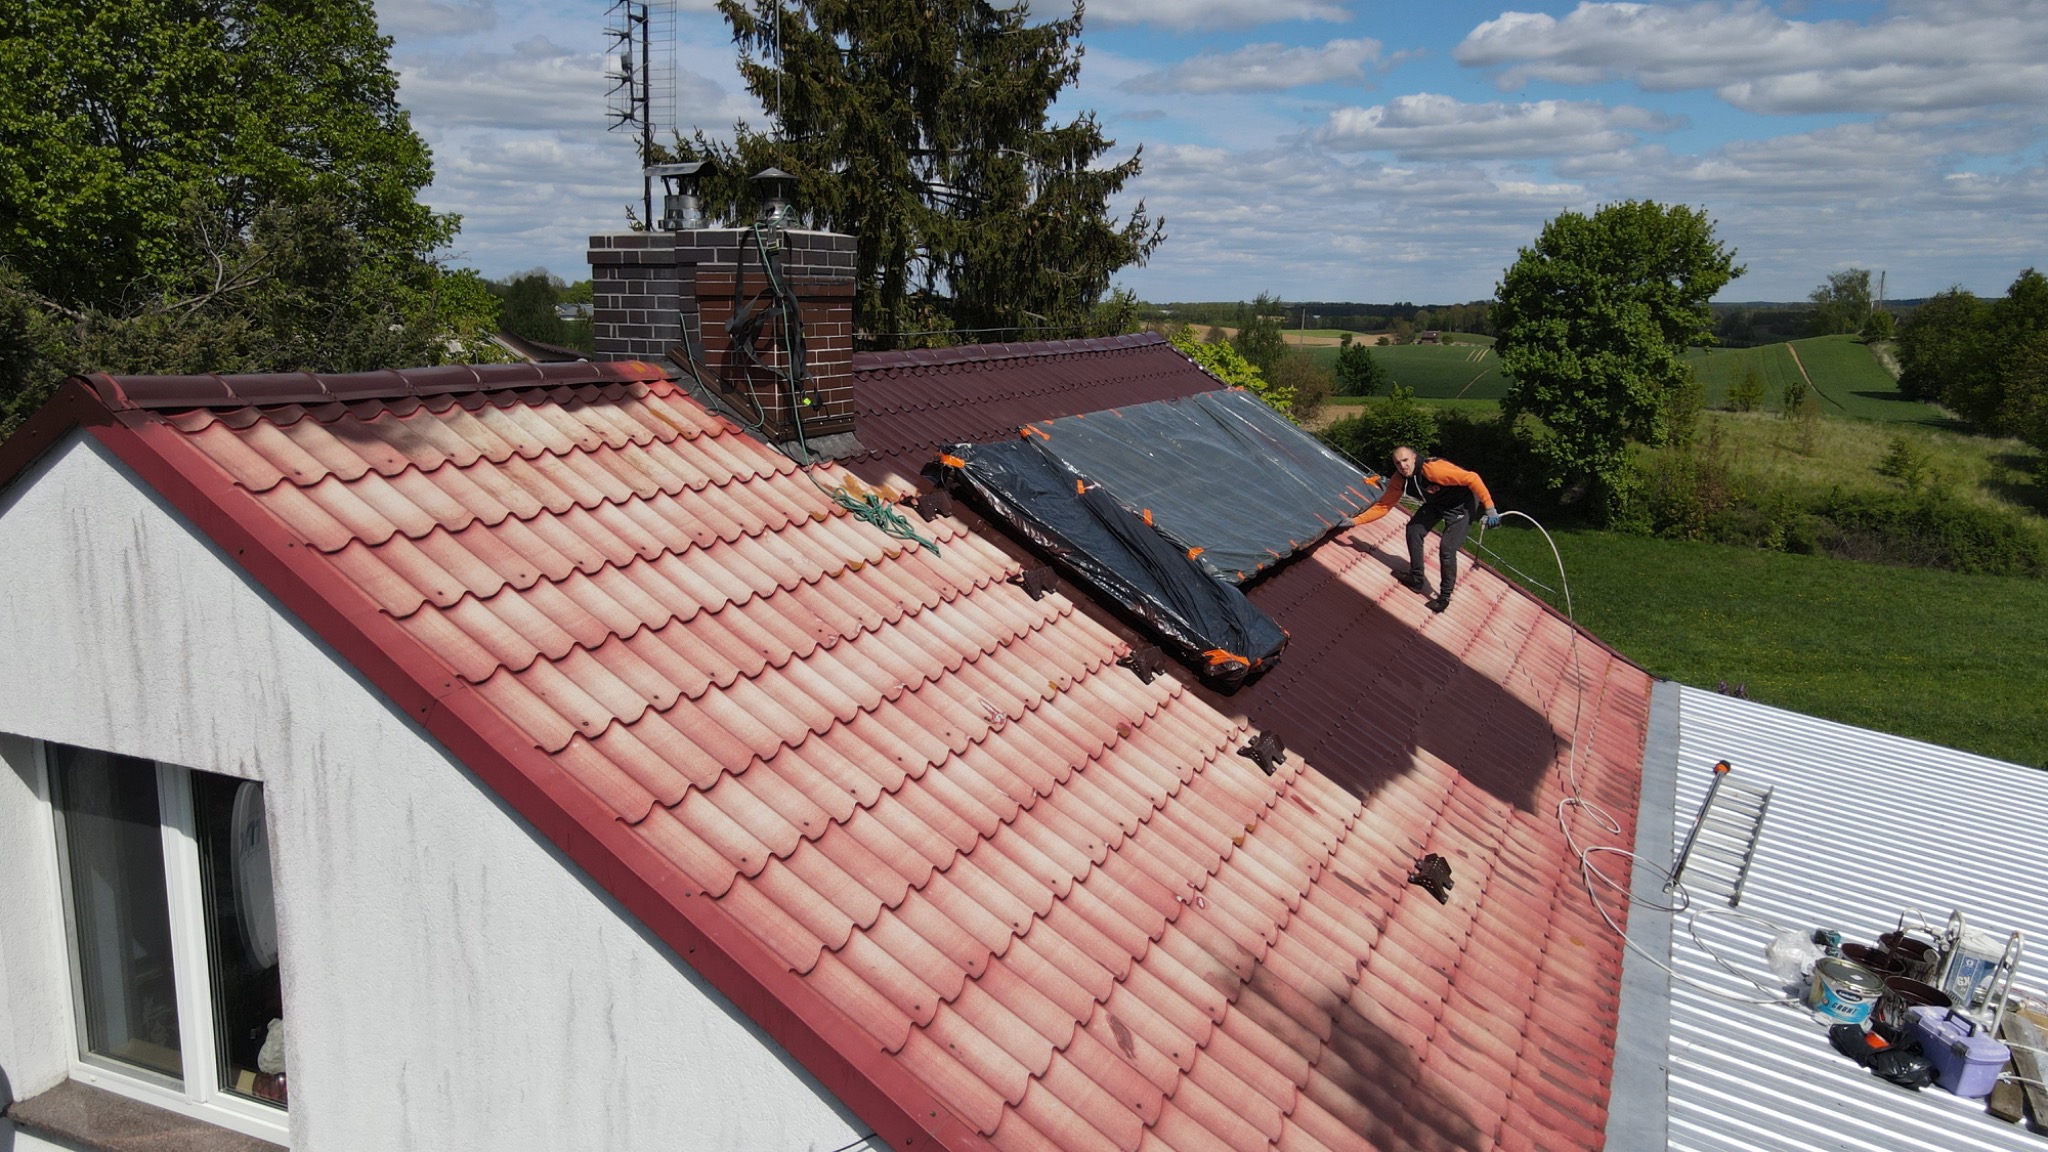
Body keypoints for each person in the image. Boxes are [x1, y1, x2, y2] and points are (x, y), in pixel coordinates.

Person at [1354, 445, 1498, 614]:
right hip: (1437, 502)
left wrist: (1490, 508)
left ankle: (1444, 597)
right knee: (1414, 530)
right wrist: (1355, 521)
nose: (1403, 466)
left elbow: (1472, 478)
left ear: (1414, 458)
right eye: (1398, 463)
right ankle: (1416, 579)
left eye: (1405, 460)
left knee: (1447, 549)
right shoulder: (1399, 479)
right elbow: (1383, 506)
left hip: (1462, 505)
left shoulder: (1433, 470)